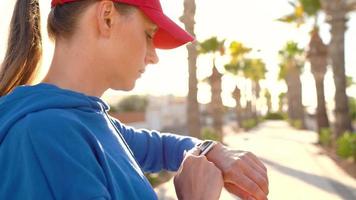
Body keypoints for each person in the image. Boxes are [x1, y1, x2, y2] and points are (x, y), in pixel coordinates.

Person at [0, 0, 269, 199]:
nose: (153, 56)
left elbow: (164, 147)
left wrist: (213, 150)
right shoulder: (43, 135)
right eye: (149, 35)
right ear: (107, 17)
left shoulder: (92, 120)